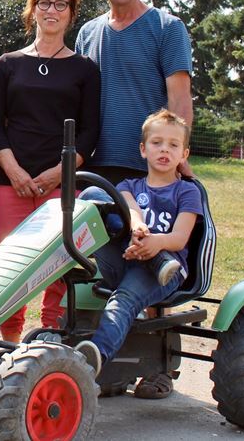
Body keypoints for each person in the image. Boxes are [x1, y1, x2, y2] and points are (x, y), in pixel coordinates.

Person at [74, 0, 195, 398]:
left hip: (153, 165)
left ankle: (162, 367)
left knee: (157, 268)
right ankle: (114, 361)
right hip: (103, 165)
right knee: (112, 264)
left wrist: (178, 158)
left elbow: (179, 96)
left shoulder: (166, 27)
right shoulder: (88, 32)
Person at [0, 0, 101, 342]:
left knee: (57, 262)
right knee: (10, 266)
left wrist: (58, 175)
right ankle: (10, 342)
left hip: (61, 184)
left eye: (60, 5)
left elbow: (89, 133)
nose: (52, 11)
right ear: (33, 9)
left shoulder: (85, 69)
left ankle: (51, 335)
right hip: (10, 182)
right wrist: (15, 171)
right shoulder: (7, 64)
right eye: (44, 3)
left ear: (71, 14)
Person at [75, 110, 201, 380]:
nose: (164, 149)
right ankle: (157, 259)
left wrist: (155, 243)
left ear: (184, 154)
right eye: (157, 143)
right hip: (127, 258)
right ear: (143, 150)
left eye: (173, 145)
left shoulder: (187, 191)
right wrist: (138, 229)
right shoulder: (129, 186)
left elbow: (180, 237)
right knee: (93, 194)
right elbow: (131, 212)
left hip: (165, 272)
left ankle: (92, 360)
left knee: (124, 300)